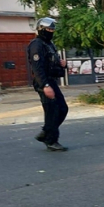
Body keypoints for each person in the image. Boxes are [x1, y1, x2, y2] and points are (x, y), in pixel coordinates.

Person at [27, 17, 69, 151]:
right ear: (41, 29)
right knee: (52, 111)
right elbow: (37, 68)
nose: (51, 31)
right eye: (49, 29)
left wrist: (62, 64)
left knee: (62, 109)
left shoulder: (49, 44)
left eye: (52, 29)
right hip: (43, 82)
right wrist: (45, 86)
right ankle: (51, 140)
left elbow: (52, 62)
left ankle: (46, 132)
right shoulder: (36, 45)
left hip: (51, 80)